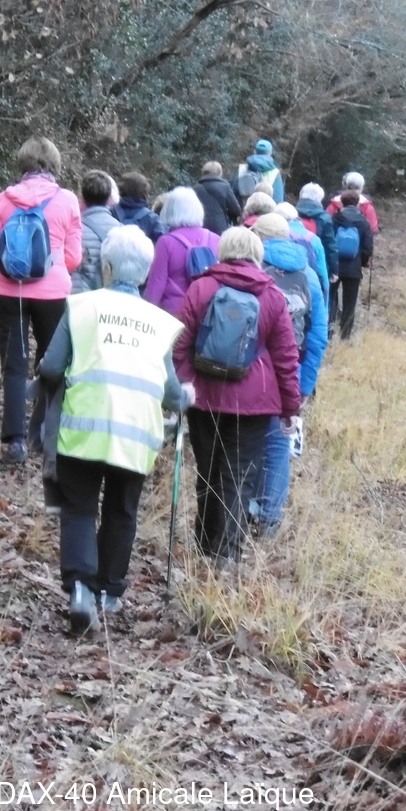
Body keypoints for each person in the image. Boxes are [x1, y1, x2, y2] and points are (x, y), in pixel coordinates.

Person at [37, 225, 193, 634]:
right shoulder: (159, 323)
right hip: (136, 435)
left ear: (106, 266)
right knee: (122, 511)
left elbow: (51, 367)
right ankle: (109, 593)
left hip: (82, 427)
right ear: (145, 272)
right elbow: (172, 393)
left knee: (79, 508)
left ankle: (80, 591)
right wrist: (187, 397)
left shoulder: (81, 307)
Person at [173, 228, 302, 567]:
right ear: (257, 255)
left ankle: (204, 544)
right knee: (239, 476)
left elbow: (180, 344)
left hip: (203, 397)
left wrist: (179, 386)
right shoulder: (272, 295)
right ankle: (226, 553)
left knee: (208, 471)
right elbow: (286, 357)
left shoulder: (201, 287)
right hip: (255, 403)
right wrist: (291, 407)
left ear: (223, 251)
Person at [0, 135, 82, 466]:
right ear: (54, 164)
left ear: (22, 163)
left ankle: (14, 443)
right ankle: (42, 434)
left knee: (14, 366)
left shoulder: (4, 199)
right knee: (51, 363)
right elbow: (74, 257)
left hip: (8, 291)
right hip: (53, 294)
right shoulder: (67, 200)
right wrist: (50, 261)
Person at [247, 214, 329, 534]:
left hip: (250, 366)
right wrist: (305, 384)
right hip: (289, 368)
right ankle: (269, 520)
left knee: (245, 438)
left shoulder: (252, 267)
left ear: (259, 237)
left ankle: (242, 508)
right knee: (278, 442)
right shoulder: (308, 275)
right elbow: (318, 334)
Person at [143, 186, 221, 315]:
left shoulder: (166, 242)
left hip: (174, 314)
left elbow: (156, 286)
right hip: (206, 313)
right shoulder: (216, 239)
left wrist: (145, 315)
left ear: (170, 210)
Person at [330, 190, 374, 340]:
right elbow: (368, 248)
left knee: (331, 298)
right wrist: (362, 262)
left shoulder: (334, 219)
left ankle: (329, 330)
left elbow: (328, 242)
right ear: (357, 203)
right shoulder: (363, 222)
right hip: (353, 269)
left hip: (334, 266)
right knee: (350, 303)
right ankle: (345, 336)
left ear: (342, 202)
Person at [75, 170, 121, 294]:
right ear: (109, 197)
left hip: (81, 297)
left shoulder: (75, 229)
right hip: (110, 298)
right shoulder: (121, 231)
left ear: (82, 196)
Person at [276, 201, 329, 304]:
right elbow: (323, 276)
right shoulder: (314, 239)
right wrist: (325, 305)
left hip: (284, 294)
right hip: (310, 290)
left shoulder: (277, 237)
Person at [296, 183, 338, 283]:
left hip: (294, 261)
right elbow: (330, 245)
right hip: (317, 264)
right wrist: (334, 270)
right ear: (319, 199)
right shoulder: (325, 218)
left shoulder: (291, 213)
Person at [111, 172, 167, 244]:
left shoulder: (110, 211)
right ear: (145, 192)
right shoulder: (152, 218)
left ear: (120, 189)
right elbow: (160, 245)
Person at [193, 161, 242, 234]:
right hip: (219, 228)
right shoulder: (224, 187)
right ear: (220, 173)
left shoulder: (195, 188)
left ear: (203, 172)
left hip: (200, 227)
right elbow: (236, 210)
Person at [233, 139, 285, 203]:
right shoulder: (275, 173)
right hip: (265, 208)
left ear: (255, 151)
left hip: (242, 208)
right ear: (270, 153)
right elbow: (278, 200)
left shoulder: (242, 169)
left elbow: (232, 194)